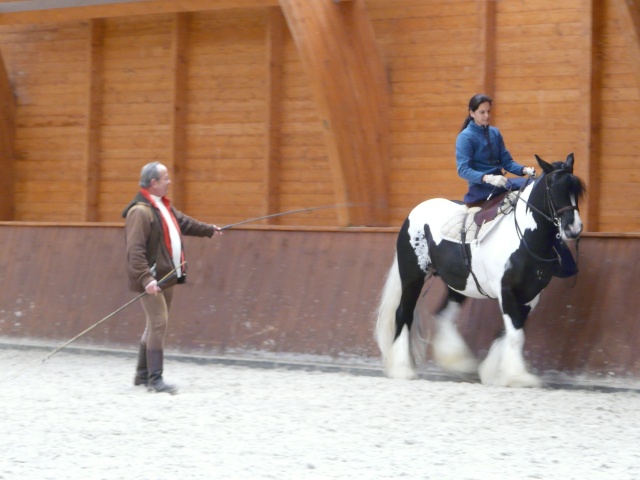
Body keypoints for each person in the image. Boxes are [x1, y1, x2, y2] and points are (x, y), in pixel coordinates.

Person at [122, 162, 221, 394]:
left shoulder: (161, 206)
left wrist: (208, 230)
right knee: (158, 323)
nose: (169, 181)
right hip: (152, 279)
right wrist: (146, 279)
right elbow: (134, 251)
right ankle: (156, 380)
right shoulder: (140, 211)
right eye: (165, 178)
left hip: (166, 276)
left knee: (154, 324)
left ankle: (142, 375)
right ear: (154, 183)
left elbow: (183, 223)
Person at [456, 93, 536, 207]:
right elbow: (463, 170)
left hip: (500, 183)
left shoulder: (495, 132)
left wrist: (524, 170)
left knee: (535, 185)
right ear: (472, 113)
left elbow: (507, 162)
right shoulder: (465, 137)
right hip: (480, 187)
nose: (487, 115)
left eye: (488, 111)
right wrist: (487, 178)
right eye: (482, 112)